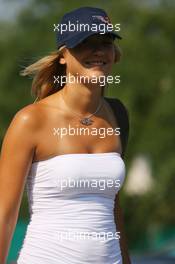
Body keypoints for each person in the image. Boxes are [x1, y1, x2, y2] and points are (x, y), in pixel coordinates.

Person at [0, 6, 131, 264]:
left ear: (114, 53)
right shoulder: (31, 120)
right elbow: (5, 214)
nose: (97, 51)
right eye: (86, 43)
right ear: (63, 56)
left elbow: (111, 204)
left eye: (105, 42)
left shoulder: (118, 115)